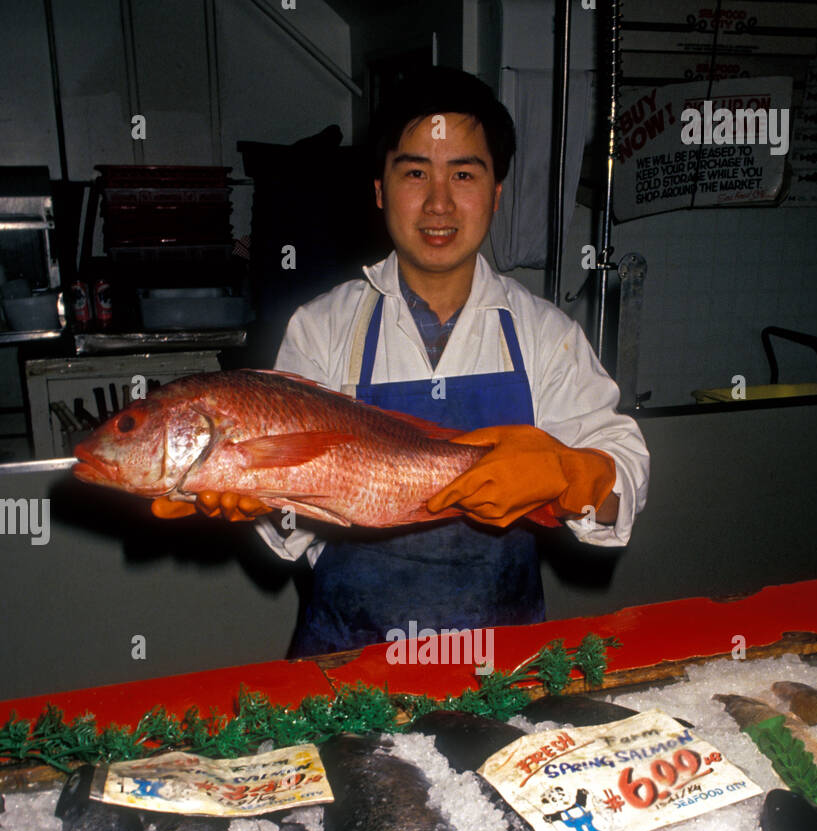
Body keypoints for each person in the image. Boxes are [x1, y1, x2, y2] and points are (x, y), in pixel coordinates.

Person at [254, 67, 649, 657]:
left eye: (463, 173)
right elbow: (285, 534)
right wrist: (250, 487)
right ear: (380, 189)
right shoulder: (321, 328)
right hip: (346, 663)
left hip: (503, 668)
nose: (439, 203)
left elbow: (625, 475)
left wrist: (572, 474)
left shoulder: (543, 334)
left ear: (495, 193)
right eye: (415, 172)